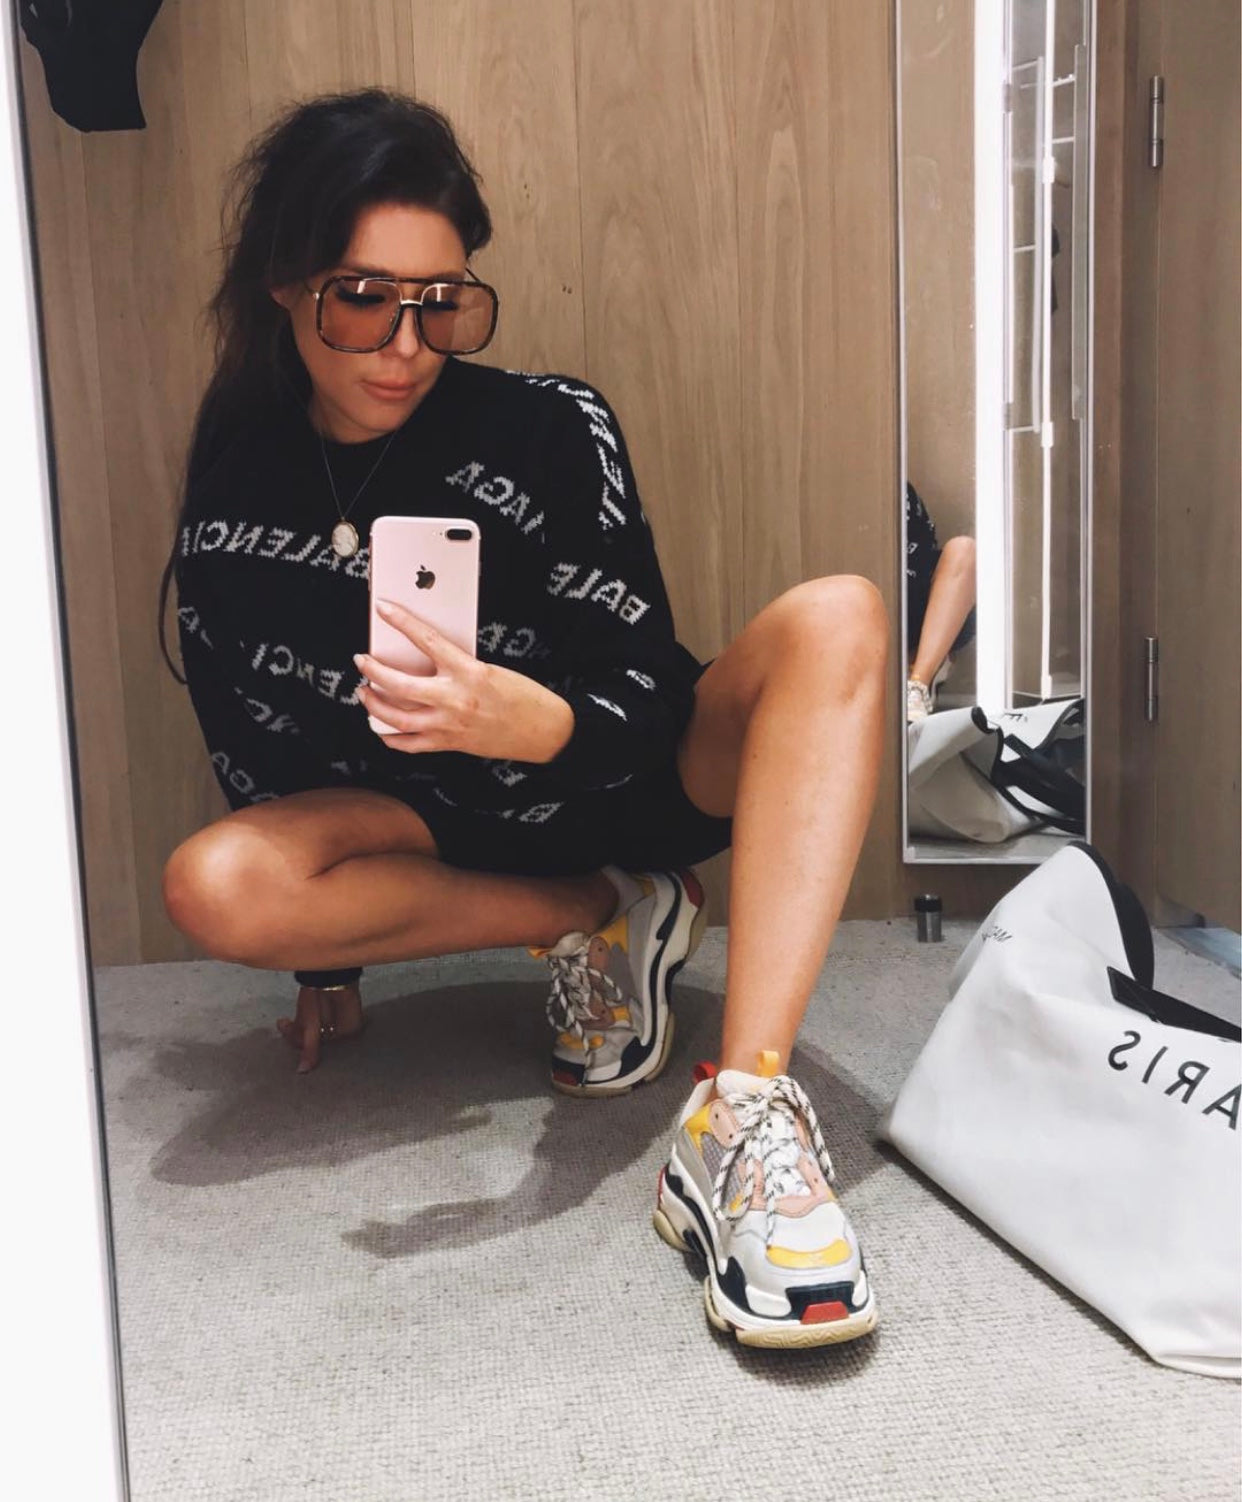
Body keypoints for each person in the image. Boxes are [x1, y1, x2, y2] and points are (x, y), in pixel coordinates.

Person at [158, 89, 887, 1349]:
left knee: (842, 614)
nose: (406, 345)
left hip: (621, 777)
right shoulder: (240, 467)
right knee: (213, 884)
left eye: (441, 301)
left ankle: (743, 1112)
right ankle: (595, 913)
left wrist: (533, 720)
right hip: (423, 814)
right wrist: (322, 962)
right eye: (362, 298)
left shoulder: (548, 423)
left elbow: (647, 683)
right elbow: (250, 735)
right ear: (284, 284)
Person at [905, 481, 976, 722]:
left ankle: (918, 684)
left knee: (964, 550)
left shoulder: (900, 490)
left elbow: (926, 551)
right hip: (867, 615)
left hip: (919, 613)